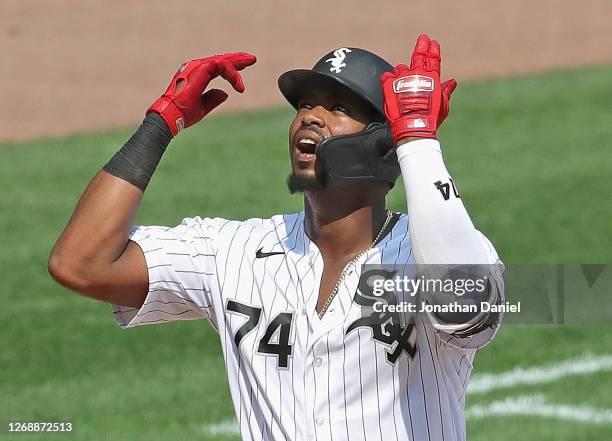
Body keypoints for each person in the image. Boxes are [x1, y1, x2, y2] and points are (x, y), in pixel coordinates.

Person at [49, 34, 505, 441]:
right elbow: (82, 264)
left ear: (385, 145)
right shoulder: (234, 253)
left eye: (340, 108)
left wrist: (419, 143)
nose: (311, 117)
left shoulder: (432, 254)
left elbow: (465, 309)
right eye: (306, 104)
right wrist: (161, 122)